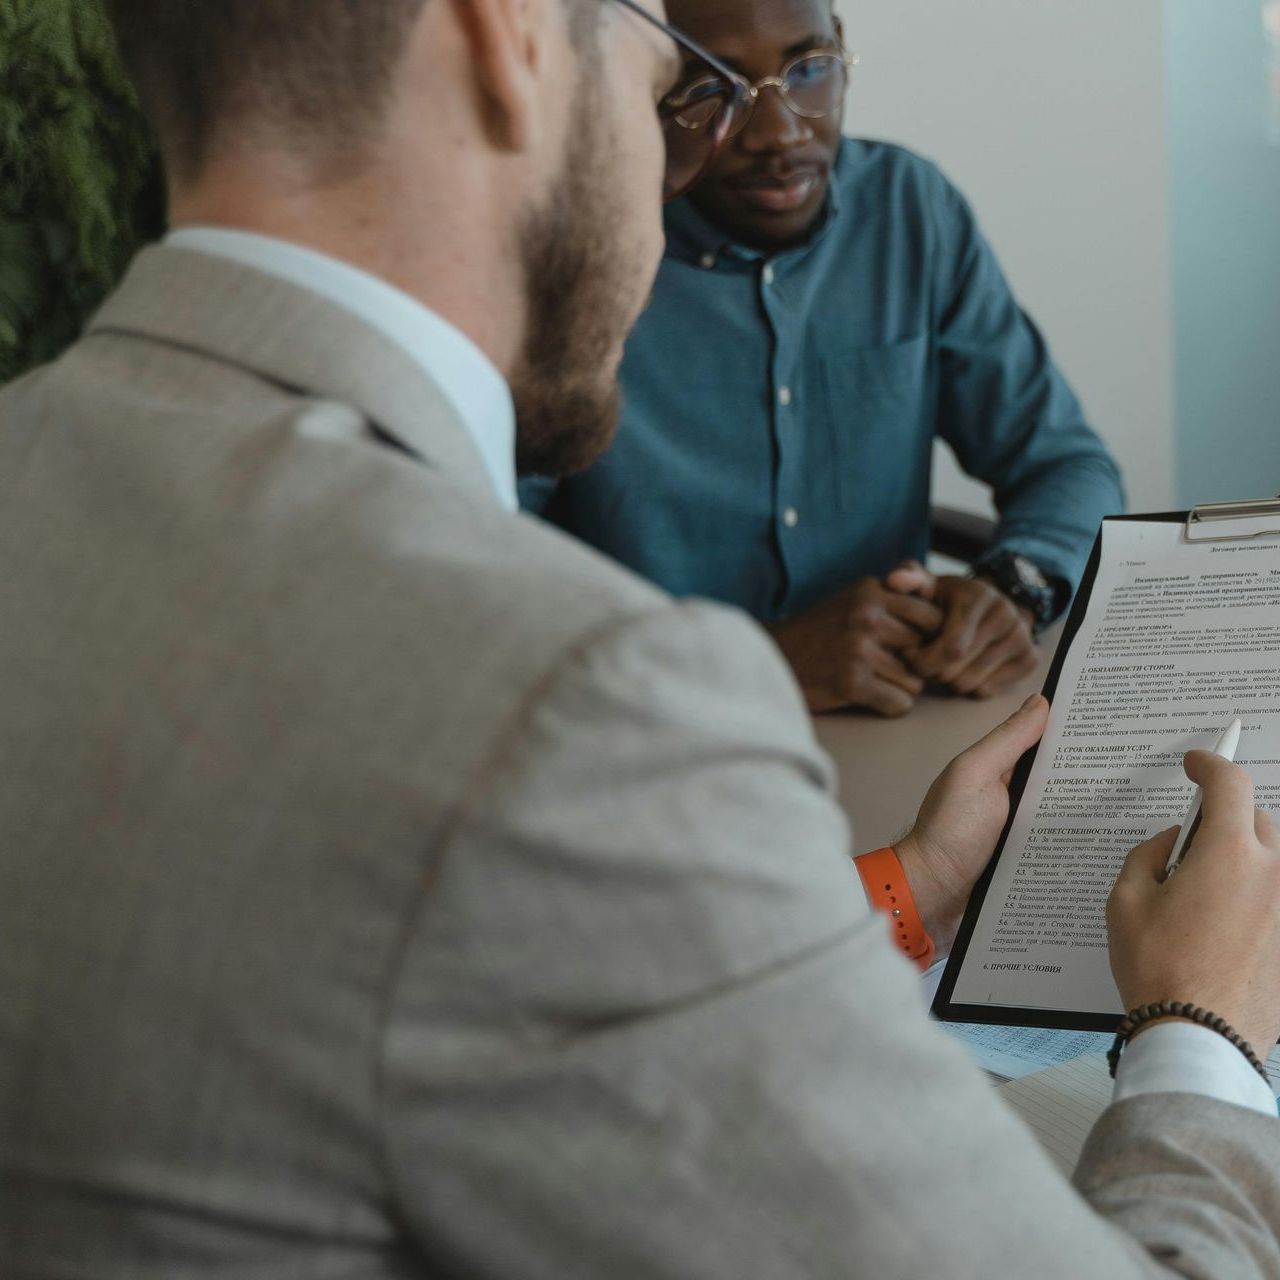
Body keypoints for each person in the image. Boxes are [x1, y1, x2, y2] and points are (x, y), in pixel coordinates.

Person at [0, 0, 1278, 1274]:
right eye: (679, 78)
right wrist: (1197, 1021)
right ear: (506, 37)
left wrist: (905, 885)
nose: (705, 139)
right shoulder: (574, 704)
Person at [522, 0, 1126, 717]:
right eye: (715, 85)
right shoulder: (572, 257)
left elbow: (1068, 465)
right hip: (653, 730)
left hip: (898, 720)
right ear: (645, 82)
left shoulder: (910, 210)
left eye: (809, 71)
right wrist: (762, 660)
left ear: (842, 49)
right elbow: (480, 574)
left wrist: (1013, 585)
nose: (780, 133)